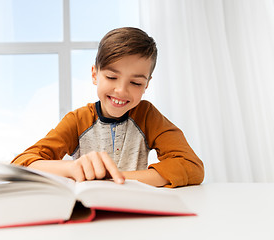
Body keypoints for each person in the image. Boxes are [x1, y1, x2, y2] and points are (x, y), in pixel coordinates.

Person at [11, 27, 204, 187]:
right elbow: (21, 163)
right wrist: (72, 168)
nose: (121, 90)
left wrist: (116, 179)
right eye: (111, 77)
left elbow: (191, 166)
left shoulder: (147, 116)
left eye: (136, 83)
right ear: (95, 75)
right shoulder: (78, 121)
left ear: (146, 84)